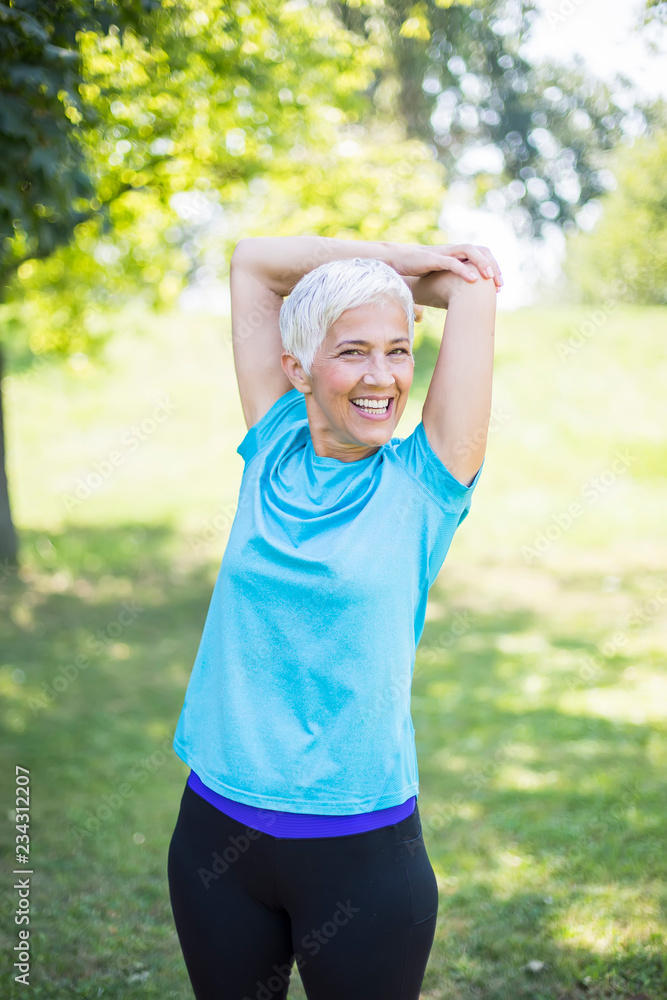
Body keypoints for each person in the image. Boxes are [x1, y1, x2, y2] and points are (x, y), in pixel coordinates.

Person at [167, 235, 501, 1000]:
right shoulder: (275, 441)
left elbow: (475, 291)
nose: (382, 378)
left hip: (359, 850)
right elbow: (252, 262)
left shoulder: (428, 480)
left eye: (397, 349)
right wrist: (405, 260)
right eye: (352, 351)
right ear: (297, 368)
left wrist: (426, 283)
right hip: (217, 833)